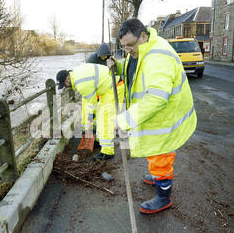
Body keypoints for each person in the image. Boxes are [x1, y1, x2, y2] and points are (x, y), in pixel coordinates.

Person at [108, 18, 197, 215]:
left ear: (143, 36)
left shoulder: (158, 58)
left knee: (160, 156)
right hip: (158, 116)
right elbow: (136, 69)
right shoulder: (143, 49)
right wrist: (120, 66)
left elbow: (156, 98)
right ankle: (159, 178)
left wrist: (124, 120)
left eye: (130, 45)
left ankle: (163, 197)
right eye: (124, 47)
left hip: (165, 116)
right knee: (155, 152)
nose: (128, 50)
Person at [56, 64, 124, 161]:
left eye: (64, 84)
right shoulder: (77, 73)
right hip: (107, 89)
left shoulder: (81, 84)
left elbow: (92, 104)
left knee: (106, 120)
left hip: (114, 88)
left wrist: (90, 119)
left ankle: (107, 152)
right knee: (101, 117)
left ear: (68, 78)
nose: (66, 87)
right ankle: (99, 141)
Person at [81, 43, 112, 137]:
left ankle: (97, 128)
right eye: (103, 56)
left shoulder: (108, 60)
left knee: (100, 108)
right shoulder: (92, 60)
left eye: (106, 56)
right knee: (89, 107)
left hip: (102, 86)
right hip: (92, 86)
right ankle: (87, 129)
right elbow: (88, 74)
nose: (104, 57)